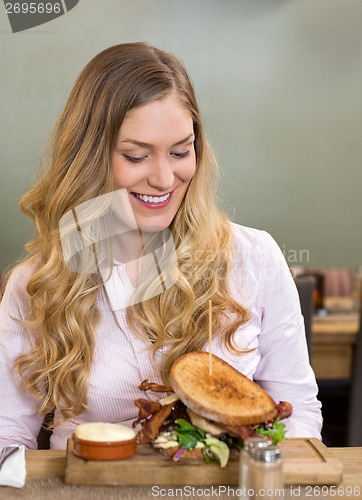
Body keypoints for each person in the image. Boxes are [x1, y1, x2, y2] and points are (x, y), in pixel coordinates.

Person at [0, 42, 322, 450]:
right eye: (136, 156)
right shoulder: (35, 284)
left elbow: (298, 413)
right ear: (89, 160)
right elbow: (7, 437)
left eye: (180, 152)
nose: (165, 179)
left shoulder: (254, 257)